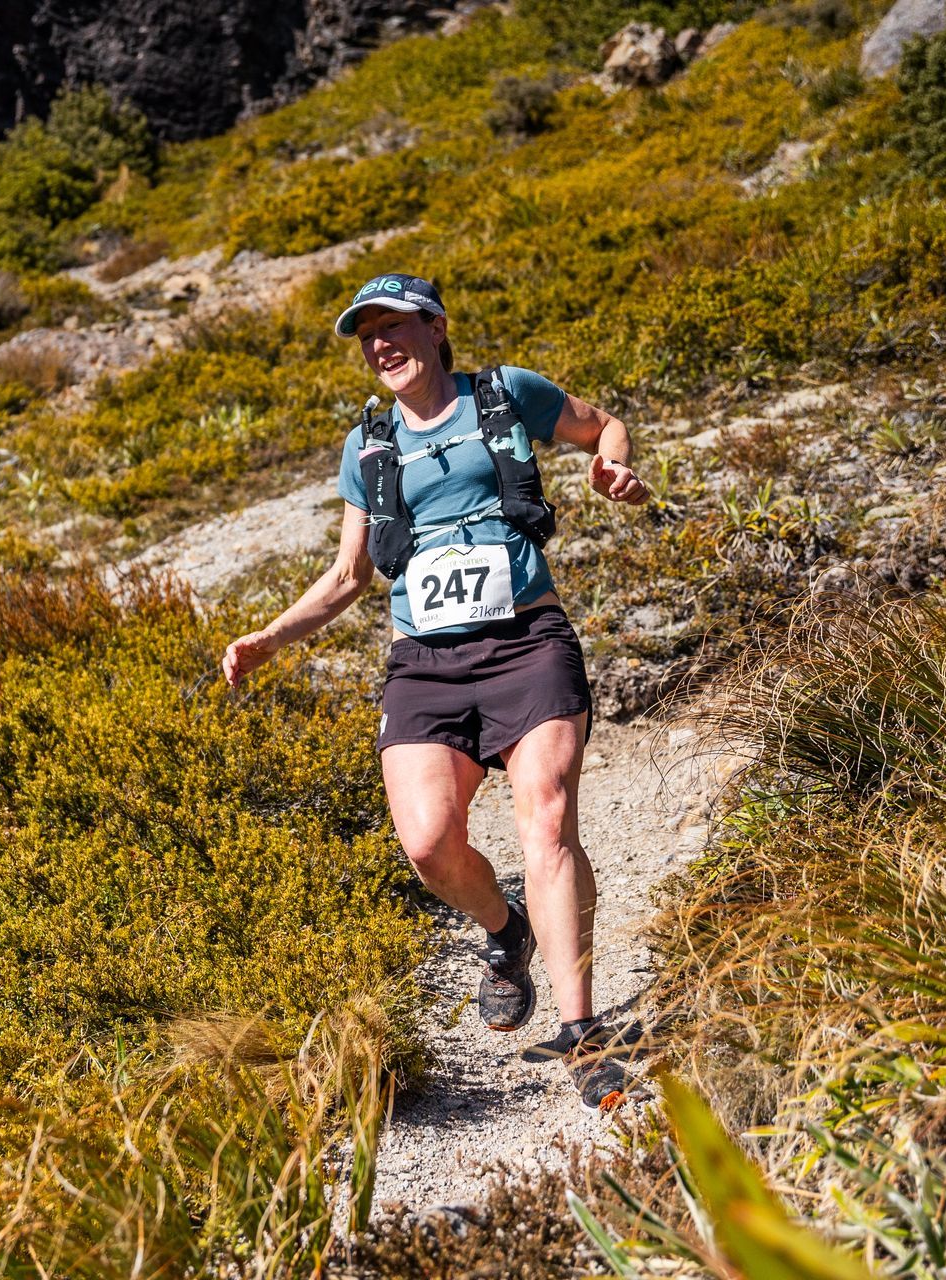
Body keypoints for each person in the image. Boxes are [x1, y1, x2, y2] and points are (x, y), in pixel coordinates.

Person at [220, 273, 650, 1111]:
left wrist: (613, 468)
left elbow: (606, 426)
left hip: (527, 642)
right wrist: (269, 639)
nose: (380, 344)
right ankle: (505, 928)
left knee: (549, 817)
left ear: (436, 328)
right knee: (426, 845)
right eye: (365, 334)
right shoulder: (368, 447)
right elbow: (349, 575)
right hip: (424, 663)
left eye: (394, 326)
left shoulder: (504, 395)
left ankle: (582, 1032)